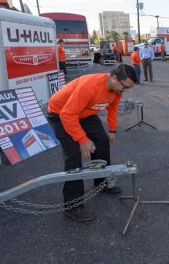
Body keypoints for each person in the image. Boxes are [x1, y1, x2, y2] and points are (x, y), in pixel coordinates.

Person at [47, 64, 137, 222]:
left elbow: (112, 108)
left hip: (85, 113)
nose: (124, 91)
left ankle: (101, 183)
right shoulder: (89, 87)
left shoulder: (116, 90)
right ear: (114, 78)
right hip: (60, 114)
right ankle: (73, 206)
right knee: (73, 155)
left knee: (102, 141)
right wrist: (82, 140)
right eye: (124, 87)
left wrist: (112, 130)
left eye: (127, 89)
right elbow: (67, 114)